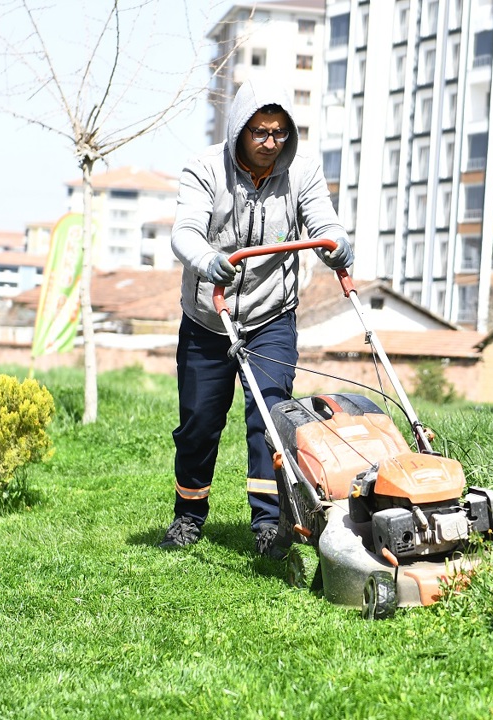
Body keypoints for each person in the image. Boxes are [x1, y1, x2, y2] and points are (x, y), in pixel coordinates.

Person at [163, 79, 353, 555]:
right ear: (239, 131)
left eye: (280, 133)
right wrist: (207, 261)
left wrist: (336, 242)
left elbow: (322, 220)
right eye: (260, 133)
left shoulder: (303, 171)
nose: (271, 143)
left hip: (272, 315)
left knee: (270, 416)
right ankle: (188, 516)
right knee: (199, 423)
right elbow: (184, 232)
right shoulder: (205, 169)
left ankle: (270, 523)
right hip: (210, 314)